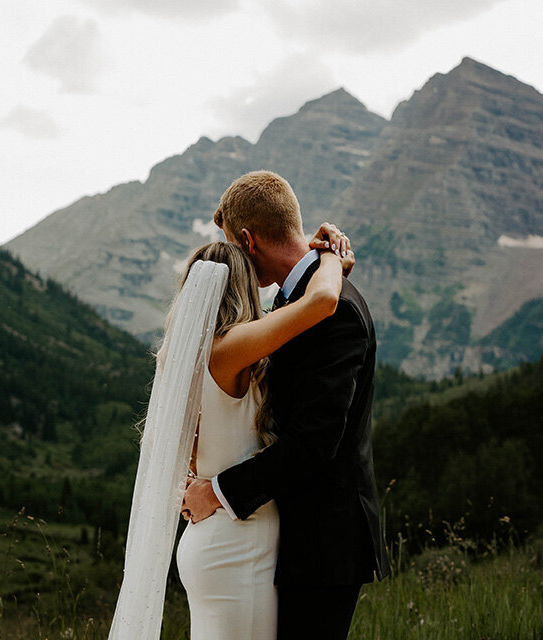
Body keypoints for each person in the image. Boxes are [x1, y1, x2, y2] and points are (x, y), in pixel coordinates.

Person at [182, 170, 391, 640]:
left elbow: (313, 443)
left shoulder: (336, 311)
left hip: (324, 544)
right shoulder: (300, 299)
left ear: (248, 240)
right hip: (285, 541)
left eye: (234, 247)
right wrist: (332, 262)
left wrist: (216, 491)